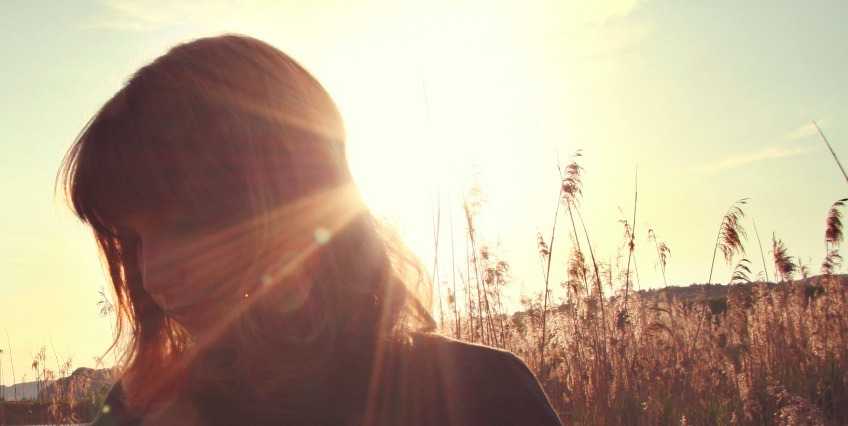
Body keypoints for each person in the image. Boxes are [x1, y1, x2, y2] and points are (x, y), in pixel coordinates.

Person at [59, 34, 560, 425]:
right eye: (134, 240)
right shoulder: (141, 410)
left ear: (289, 200)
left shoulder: (478, 394)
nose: (153, 275)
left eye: (186, 224)